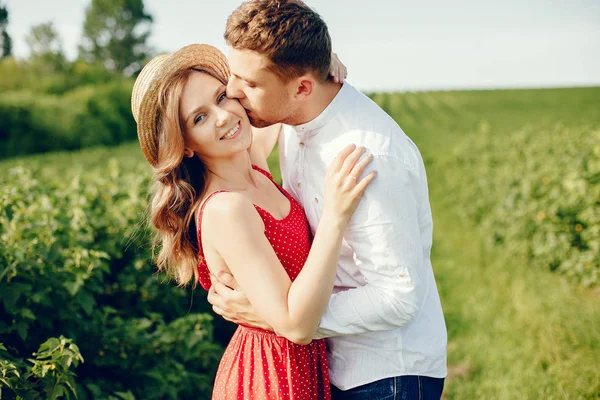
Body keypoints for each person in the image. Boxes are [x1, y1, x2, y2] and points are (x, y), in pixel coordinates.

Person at [207, 1, 448, 399]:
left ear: (303, 88)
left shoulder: (371, 156)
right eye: (233, 75)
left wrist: (282, 318)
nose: (233, 92)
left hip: (386, 375)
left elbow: (399, 296)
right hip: (326, 363)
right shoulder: (289, 116)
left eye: (248, 84)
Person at [130, 43, 375, 400]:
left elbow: (282, 94)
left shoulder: (252, 165)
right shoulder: (225, 209)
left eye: (221, 97)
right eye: (199, 118)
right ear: (184, 145)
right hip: (272, 378)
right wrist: (335, 217)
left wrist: (316, 64)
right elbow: (296, 324)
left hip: (300, 366)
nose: (224, 116)